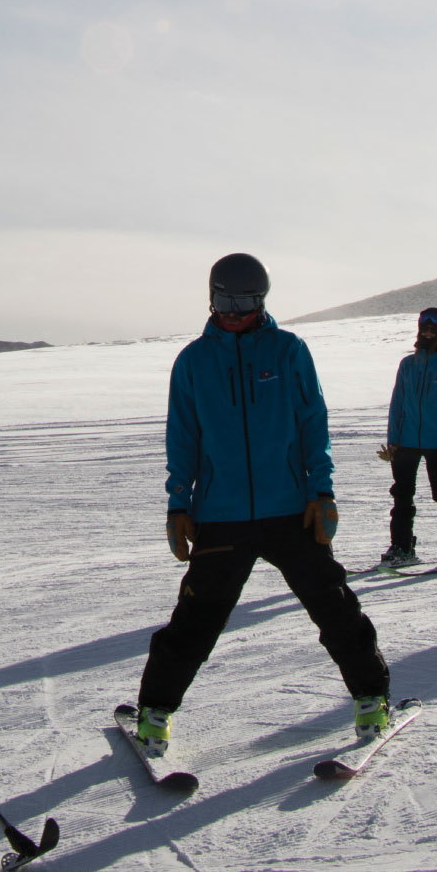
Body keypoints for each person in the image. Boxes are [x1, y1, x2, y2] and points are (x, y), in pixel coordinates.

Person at [133, 253, 392, 750]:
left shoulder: (289, 351)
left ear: (262, 301)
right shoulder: (193, 361)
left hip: (290, 510)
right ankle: (155, 710)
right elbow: (181, 439)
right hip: (222, 515)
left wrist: (322, 491)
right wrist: (177, 504)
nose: (234, 311)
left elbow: (312, 423)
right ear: (211, 297)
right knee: (196, 619)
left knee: (333, 606)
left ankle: (371, 696)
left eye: (247, 301)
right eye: (227, 299)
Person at [377, 307, 437, 567]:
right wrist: (393, 440)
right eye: (424, 328)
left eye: (434, 329)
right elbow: (397, 403)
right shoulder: (408, 364)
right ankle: (402, 547)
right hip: (406, 441)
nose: (428, 332)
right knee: (402, 495)